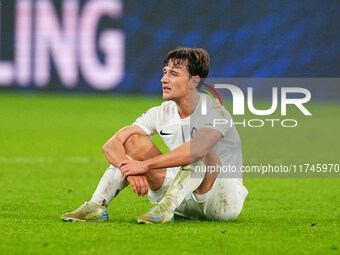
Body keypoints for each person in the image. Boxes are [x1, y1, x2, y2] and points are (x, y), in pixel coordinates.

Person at [61, 47, 248, 224]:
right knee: (132, 141)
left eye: (173, 74)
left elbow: (196, 151)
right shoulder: (160, 112)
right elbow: (111, 145)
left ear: (194, 81)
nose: (164, 79)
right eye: (165, 72)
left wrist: (143, 165)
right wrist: (129, 170)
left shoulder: (216, 112)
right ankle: (96, 205)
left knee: (203, 154)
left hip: (220, 202)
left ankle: (167, 207)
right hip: (180, 195)